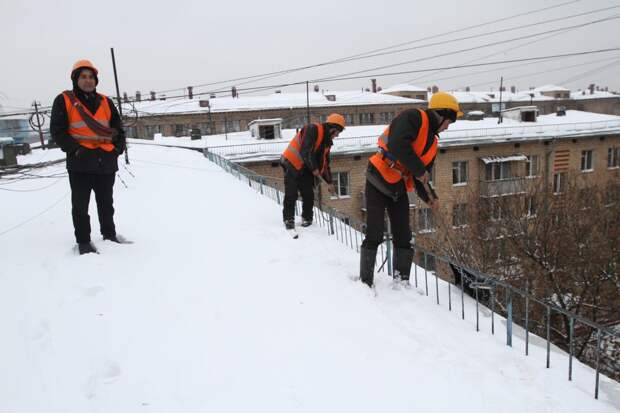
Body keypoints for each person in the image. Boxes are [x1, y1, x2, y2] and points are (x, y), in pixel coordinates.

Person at [359, 92, 463, 288]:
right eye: (449, 121)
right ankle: (365, 282)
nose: (449, 126)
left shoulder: (432, 143)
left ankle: (401, 282)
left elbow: (421, 177)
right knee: (375, 232)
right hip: (378, 176)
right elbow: (398, 144)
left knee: (404, 236)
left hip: (398, 185)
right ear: (442, 114)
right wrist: (419, 170)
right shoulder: (414, 117)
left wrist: (430, 197)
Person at [50, 59, 127, 255]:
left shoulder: (105, 101)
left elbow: (118, 128)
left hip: (105, 161)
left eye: (91, 77)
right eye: (83, 77)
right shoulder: (64, 100)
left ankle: (109, 235)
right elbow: (58, 132)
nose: (88, 80)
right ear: (75, 79)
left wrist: (118, 149)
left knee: (106, 203)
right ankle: (83, 241)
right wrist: (76, 150)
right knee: (80, 206)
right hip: (80, 163)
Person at [280, 113, 345, 230]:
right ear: (333, 129)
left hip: (306, 167)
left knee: (308, 193)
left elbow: (325, 164)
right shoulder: (312, 129)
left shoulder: (327, 143)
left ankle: (307, 217)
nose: (337, 136)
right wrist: (314, 169)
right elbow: (306, 151)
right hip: (291, 163)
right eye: (337, 133)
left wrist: (329, 182)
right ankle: (288, 219)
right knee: (292, 192)